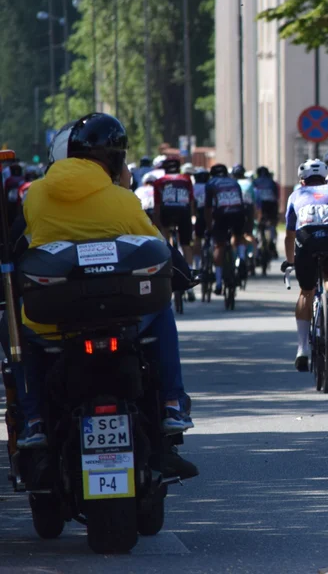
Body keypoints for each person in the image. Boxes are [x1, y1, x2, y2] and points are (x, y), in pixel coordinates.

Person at [13, 113, 195, 476]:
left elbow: (25, 247)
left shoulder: (35, 198)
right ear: (113, 160)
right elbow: (157, 248)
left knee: (18, 330)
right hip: (121, 320)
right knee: (162, 312)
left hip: (55, 324)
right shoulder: (121, 201)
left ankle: (33, 420)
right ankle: (172, 405)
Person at [282, 159, 328, 370]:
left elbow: (289, 234)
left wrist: (290, 261)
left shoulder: (295, 195)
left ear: (302, 181)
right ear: (325, 178)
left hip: (306, 239)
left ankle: (302, 349)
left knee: (306, 291)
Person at [205, 163, 246, 295]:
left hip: (221, 215)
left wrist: (210, 227)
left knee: (219, 245)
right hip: (238, 212)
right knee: (239, 237)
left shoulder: (211, 183)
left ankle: (218, 283)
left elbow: (208, 208)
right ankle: (242, 259)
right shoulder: (234, 182)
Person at [153, 157, 196, 273]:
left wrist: (157, 222)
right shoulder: (186, 179)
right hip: (184, 211)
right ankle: (190, 271)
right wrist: (191, 216)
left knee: (165, 234)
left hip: (167, 211)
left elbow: (157, 205)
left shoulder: (159, 181)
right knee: (186, 244)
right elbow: (191, 200)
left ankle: (166, 263)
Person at [192, 167, 210, 271]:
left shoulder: (194, 187)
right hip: (211, 215)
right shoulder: (210, 186)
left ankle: (197, 264)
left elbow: (192, 203)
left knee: (197, 238)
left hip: (200, 214)